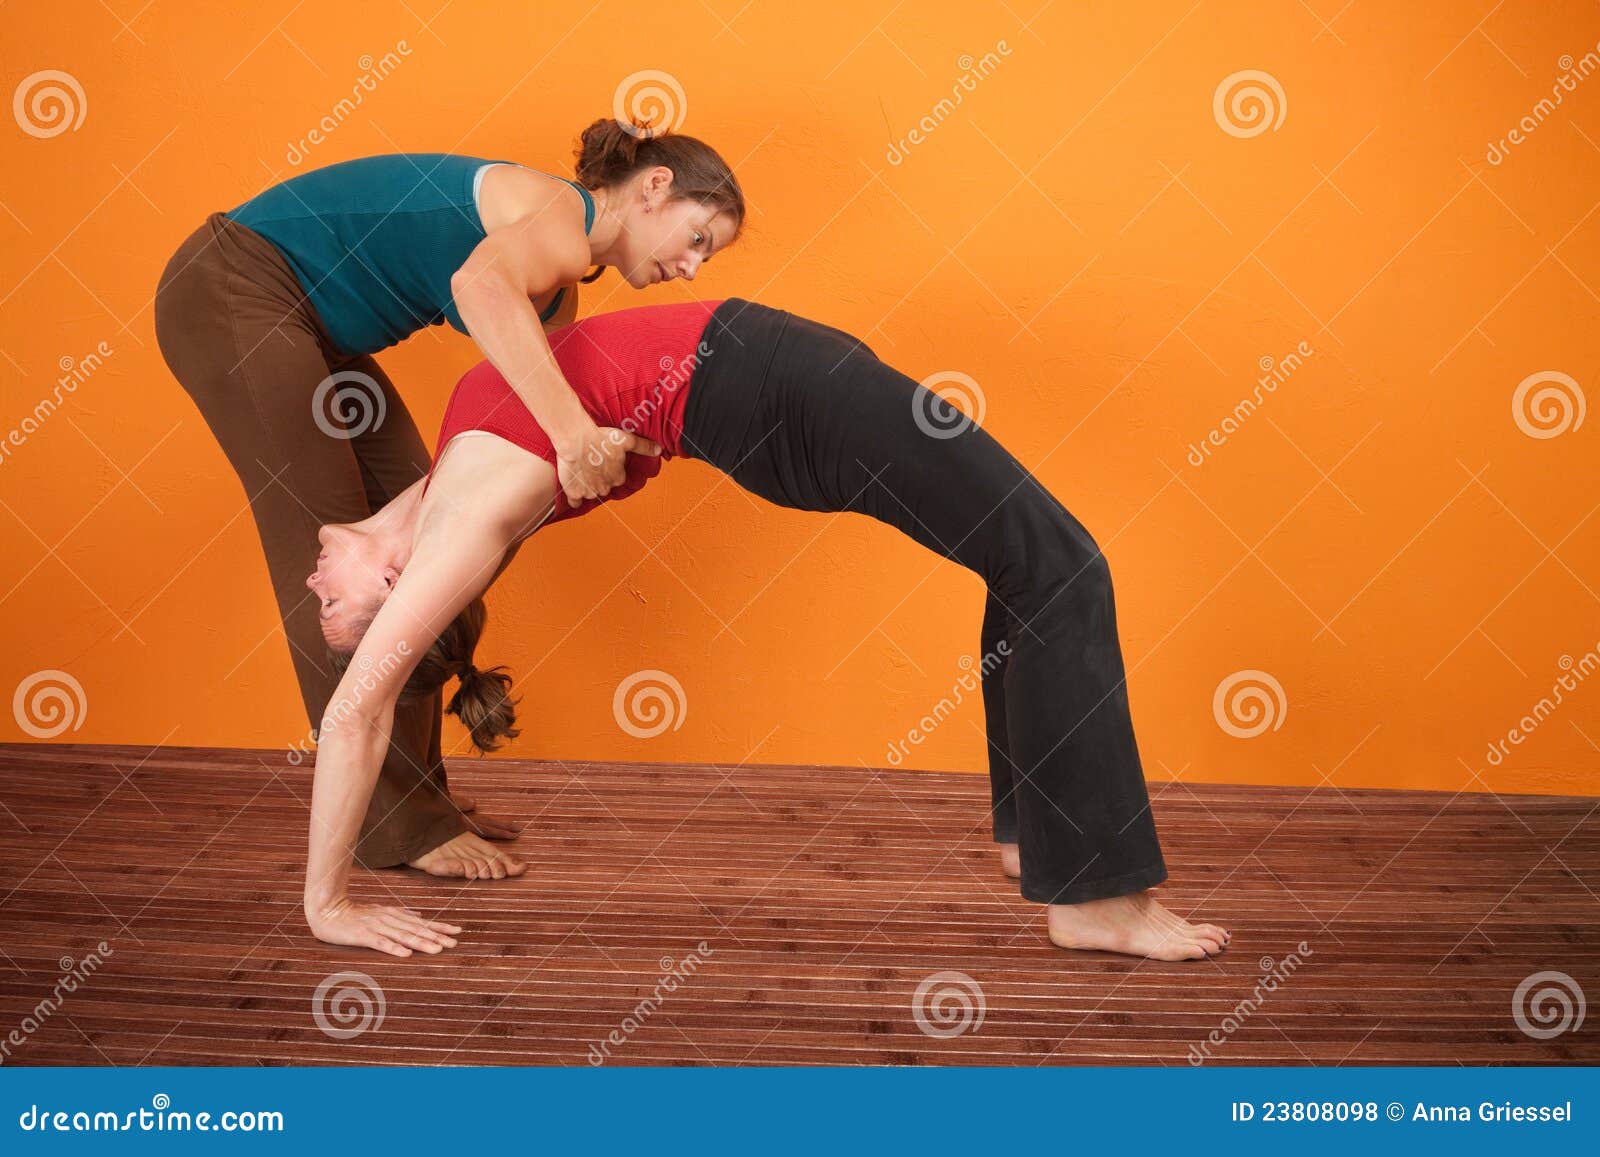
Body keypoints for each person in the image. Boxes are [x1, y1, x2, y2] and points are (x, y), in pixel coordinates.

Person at [303, 298, 1232, 962]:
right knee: (1061, 560)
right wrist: (327, 903)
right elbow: (356, 715)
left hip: (772, 377)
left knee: (1025, 561)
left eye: (319, 602)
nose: (313, 586)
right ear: (398, 582)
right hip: (773, 390)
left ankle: (1040, 837)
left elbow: (520, 306)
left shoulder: (453, 465)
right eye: (335, 609)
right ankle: (1097, 895)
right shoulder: (458, 520)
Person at [153, 122, 745, 879]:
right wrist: (573, 438)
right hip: (234, 288)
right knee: (337, 559)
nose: (693, 267)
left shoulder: (561, 285)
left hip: (314, 333)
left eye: (709, 256)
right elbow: (479, 287)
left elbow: (521, 416)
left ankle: (420, 796)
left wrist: (633, 439)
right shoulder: (560, 222)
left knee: (426, 536)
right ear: (654, 188)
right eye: (697, 237)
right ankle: (395, 824)